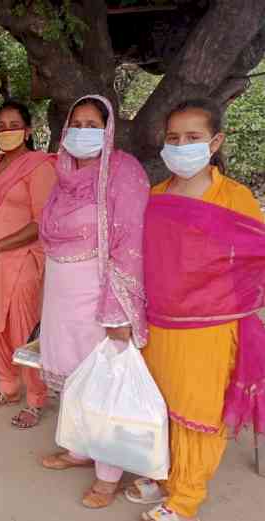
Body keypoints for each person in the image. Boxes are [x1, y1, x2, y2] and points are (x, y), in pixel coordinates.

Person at [125, 99, 265, 521]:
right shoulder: (156, 197)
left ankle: (185, 498)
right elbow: (141, 259)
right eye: (173, 138)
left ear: (215, 141)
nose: (181, 145)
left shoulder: (235, 198)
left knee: (198, 409)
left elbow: (254, 259)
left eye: (193, 138)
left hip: (211, 325)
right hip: (160, 322)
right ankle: (166, 474)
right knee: (163, 404)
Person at [38, 95, 149, 508]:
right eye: (76, 124)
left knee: (104, 384)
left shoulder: (123, 172)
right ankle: (80, 450)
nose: (82, 132)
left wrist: (118, 310)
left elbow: (130, 242)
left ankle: (109, 475)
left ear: (108, 130)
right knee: (73, 378)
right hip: (61, 298)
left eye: (92, 124)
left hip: (101, 299)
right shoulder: (64, 174)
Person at [0, 100, 55, 425]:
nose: (6, 131)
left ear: (28, 130)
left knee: (22, 329)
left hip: (21, 261)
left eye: (13, 124)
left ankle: (35, 399)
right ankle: (8, 386)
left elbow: (39, 222)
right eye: (1, 126)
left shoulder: (39, 165)